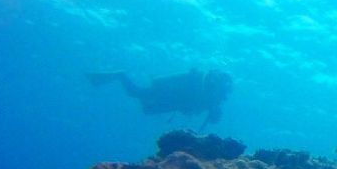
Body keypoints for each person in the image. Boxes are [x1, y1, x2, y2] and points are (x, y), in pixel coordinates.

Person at [88, 68, 232, 128]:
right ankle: (120, 75)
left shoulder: (212, 96)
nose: (224, 97)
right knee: (136, 93)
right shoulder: (210, 94)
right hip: (168, 94)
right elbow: (209, 114)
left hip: (173, 100)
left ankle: (118, 75)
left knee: (146, 109)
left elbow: (212, 118)